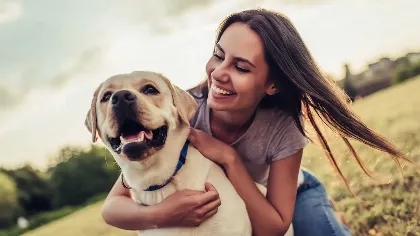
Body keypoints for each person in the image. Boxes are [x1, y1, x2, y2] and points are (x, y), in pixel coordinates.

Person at [101, 8, 412, 236]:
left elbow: (273, 226)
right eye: (218, 55)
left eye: (241, 67)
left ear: (272, 85)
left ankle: (332, 218)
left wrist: (229, 158)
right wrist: (160, 214)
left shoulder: (282, 128)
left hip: (289, 196)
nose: (219, 73)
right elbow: (113, 205)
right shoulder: (181, 114)